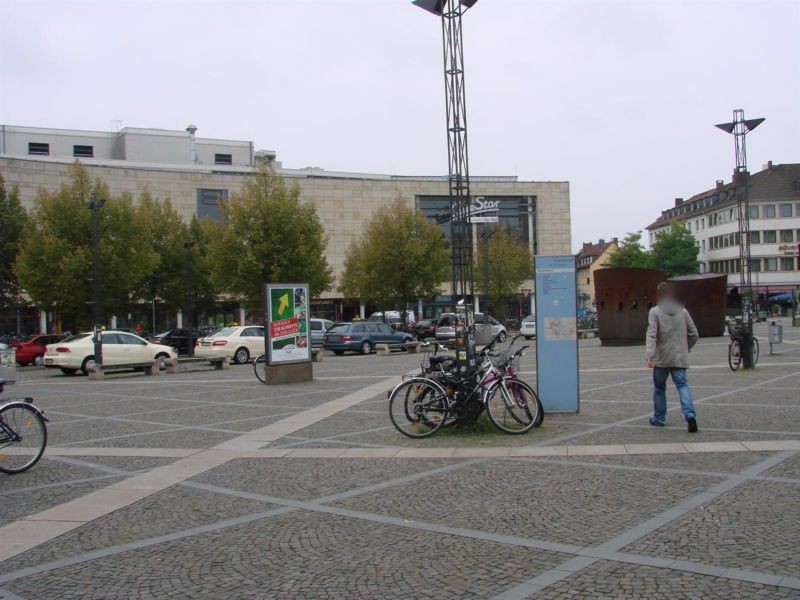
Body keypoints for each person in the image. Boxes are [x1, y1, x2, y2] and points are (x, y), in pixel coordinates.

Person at [645, 282, 700, 433]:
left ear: (659, 295)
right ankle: (689, 414)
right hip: (679, 357)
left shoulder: (655, 312)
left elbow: (652, 334)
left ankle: (659, 418)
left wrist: (649, 355)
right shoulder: (683, 311)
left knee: (659, 388)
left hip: (662, 357)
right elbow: (694, 333)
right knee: (682, 385)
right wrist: (686, 347)